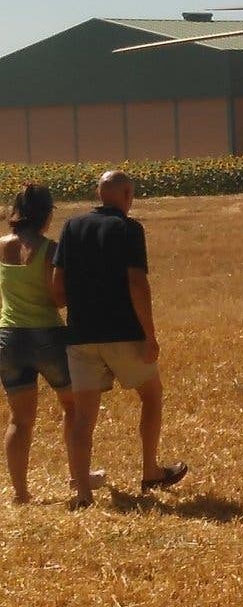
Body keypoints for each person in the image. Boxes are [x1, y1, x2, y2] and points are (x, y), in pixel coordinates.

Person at [53, 171, 186, 509]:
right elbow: (137, 283)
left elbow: (58, 288)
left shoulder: (71, 227)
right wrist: (149, 335)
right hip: (124, 333)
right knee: (152, 396)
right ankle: (150, 470)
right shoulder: (129, 229)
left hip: (81, 335)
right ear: (127, 194)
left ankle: (83, 493)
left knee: (83, 417)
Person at [1, 184, 99, 504]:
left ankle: (20, 493)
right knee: (72, 407)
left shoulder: (0, 246)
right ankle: (77, 477)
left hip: (8, 338)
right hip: (47, 335)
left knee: (19, 419)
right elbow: (57, 298)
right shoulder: (50, 249)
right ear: (46, 214)